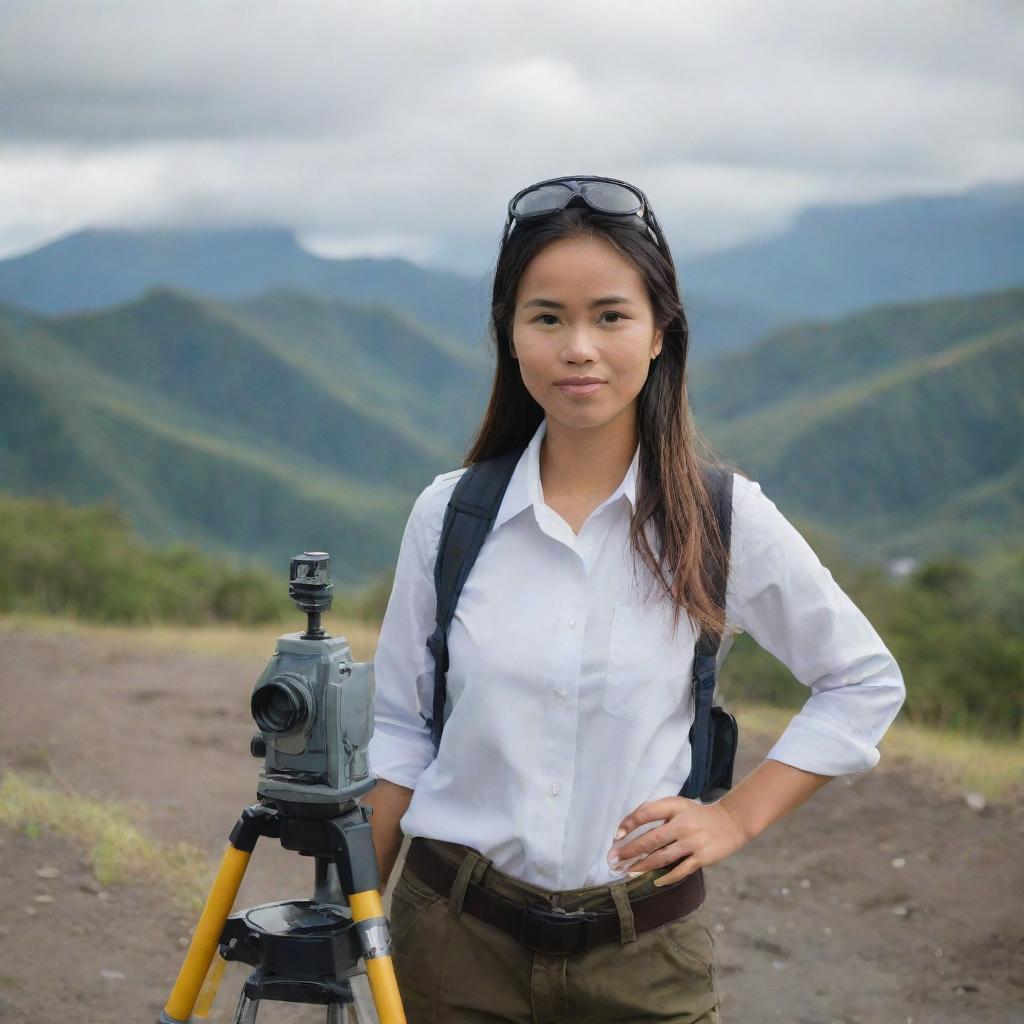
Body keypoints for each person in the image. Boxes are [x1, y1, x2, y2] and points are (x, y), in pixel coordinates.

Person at [363, 174, 906, 1023]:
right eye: (547, 317)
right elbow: (398, 725)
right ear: (510, 337)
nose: (579, 347)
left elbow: (863, 681)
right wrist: (349, 910)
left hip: (644, 958)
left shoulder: (722, 518)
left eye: (610, 316)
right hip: (449, 943)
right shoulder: (452, 514)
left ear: (660, 334)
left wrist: (735, 820)